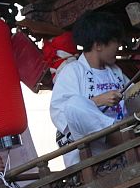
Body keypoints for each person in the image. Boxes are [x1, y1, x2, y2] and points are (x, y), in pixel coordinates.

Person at [50, 11, 131, 168]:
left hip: (124, 131)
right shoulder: (72, 70)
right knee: (73, 105)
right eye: (115, 41)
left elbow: (135, 94)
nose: (119, 46)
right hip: (93, 150)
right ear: (98, 45)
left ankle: (124, 137)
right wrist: (98, 101)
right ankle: (120, 138)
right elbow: (61, 112)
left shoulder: (115, 71)